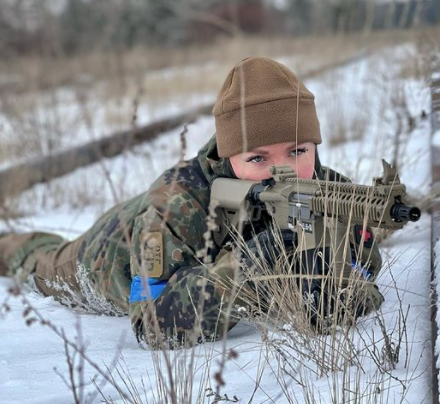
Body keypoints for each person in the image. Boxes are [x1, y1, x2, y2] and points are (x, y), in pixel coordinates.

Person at [0, 57, 383, 348]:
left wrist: (338, 284)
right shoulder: (177, 202)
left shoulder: (322, 185)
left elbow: (363, 259)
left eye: (297, 151)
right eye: (257, 158)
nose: (279, 171)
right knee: (37, 261)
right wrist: (249, 266)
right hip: (105, 256)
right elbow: (150, 324)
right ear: (229, 154)